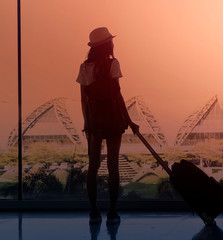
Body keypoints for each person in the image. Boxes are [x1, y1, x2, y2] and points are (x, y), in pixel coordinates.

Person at [76, 27, 139, 225]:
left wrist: (87, 121)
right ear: (108, 44)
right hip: (113, 119)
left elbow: (83, 98)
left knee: (92, 167)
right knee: (113, 166)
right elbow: (117, 95)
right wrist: (128, 120)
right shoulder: (113, 63)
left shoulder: (85, 67)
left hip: (95, 121)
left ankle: (94, 211)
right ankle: (112, 211)